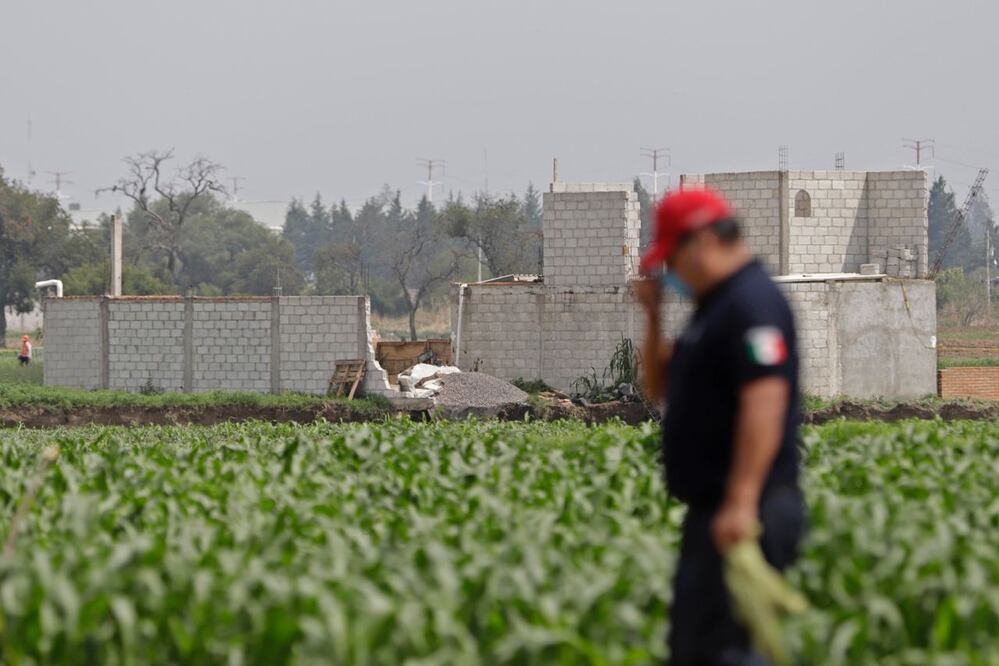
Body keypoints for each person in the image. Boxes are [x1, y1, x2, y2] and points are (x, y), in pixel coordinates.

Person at [634, 188, 805, 666]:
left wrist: (742, 499)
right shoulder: (712, 310)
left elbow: (765, 400)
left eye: (672, 260)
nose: (672, 275)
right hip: (714, 510)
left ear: (703, 241)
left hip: (747, 509)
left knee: (728, 651)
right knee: (697, 648)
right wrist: (652, 316)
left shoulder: (752, 305)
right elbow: (658, 386)